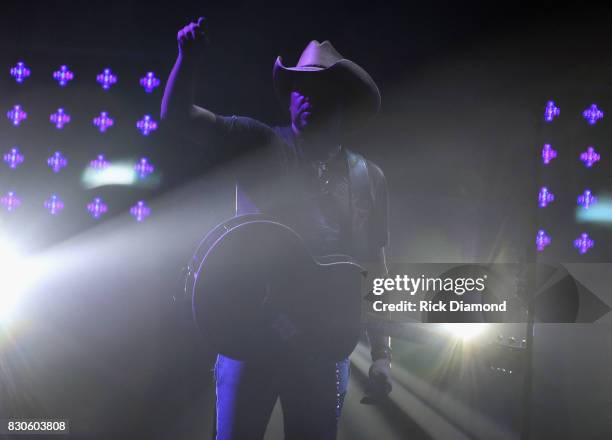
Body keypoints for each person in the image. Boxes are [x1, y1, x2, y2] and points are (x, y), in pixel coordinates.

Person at [161, 16, 392, 440]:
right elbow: (178, 117)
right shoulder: (259, 143)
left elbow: (373, 265)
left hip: (322, 349)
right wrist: (187, 59)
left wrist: (382, 353)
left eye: (319, 90)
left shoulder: (367, 177)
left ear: (342, 103)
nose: (306, 97)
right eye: (299, 88)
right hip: (250, 338)